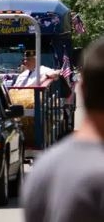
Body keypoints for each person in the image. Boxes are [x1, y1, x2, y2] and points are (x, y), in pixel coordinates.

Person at [22, 37, 104, 221]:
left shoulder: (45, 171)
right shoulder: (21, 76)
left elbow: (57, 73)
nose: (25, 61)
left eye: (28, 59)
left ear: (81, 90)